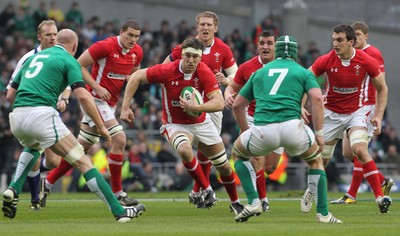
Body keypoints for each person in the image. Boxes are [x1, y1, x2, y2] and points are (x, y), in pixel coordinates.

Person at [2, 29, 145, 222]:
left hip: (17, 116)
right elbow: (85, 97)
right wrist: (101, 127)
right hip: (42, 114)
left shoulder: (32, 58)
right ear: (75, 47)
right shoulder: (69, 61)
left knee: (35, 145)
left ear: (56, 41)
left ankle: (13, 188)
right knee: (83, 161)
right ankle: (119, 211)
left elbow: (10, 95)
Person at [231, 35, 341, 223]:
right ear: (296, 54)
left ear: (277, 51)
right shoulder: (303, 72)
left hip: (263, 129)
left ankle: (253, 200)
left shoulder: (259, 72)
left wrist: (244, 131)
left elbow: (237, 105)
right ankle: (323, 214)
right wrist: (319, 133)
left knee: (238, 155)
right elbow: (316, 99)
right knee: (316, 162)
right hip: (293, 128)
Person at [121, 37, 240, 210]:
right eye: (188, 56)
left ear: (200, 58)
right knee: (185, 150)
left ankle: (235, 203)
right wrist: (125, 108)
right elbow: (135, 77)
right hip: (175, 124)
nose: (191, 60)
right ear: (182, 55)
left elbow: (219, 103)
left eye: (195, 57)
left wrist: (196, 106)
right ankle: (206, 189)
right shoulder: (167, 70)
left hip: (201, 123)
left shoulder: (204, 71)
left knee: (224, 167)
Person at [40, 19, 143, 207]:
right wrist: (95, 86)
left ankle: (46, 183)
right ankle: (118, 192)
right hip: (94, 99)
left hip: (110, 104)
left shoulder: (137, 52)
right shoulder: (105, 46)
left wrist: (126, 105)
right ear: (121, 32)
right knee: (119, 139)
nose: (133, 39)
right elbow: (77, 65)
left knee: (79, 151)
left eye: (136, 36)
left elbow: (133, 77)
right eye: (130, 35)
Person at [300, 24, 392, 214]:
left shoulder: (367, 60)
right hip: (331, 113)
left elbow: (382, 88)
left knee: (359, 149)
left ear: (351, 42)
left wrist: (379, 115)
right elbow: (305, 80)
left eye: (340, 40)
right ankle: (311, 190)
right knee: (321, 161)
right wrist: (301, 105)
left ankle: (380, 197)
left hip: (356, 112)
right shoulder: (325, 60)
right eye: (333, 39)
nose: (335, 43)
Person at [163, 11, 241, 213]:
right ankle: (202, 190)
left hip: (211, 105)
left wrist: (227, 81)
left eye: (209, 25)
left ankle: (198, 190)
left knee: (207, 151)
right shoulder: (185, 48)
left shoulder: (222, 49)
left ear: (215, 28)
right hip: (185, 106)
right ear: (197, 27)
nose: (205, 28)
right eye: (202, 24)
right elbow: (164, 67)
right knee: (193, 149)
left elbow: (236, 75)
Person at [6, 20, 68, 211]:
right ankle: (34, 200)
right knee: (36, 151)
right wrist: (26, 108)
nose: (53, 38)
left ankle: (23, 180)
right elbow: (10, 92)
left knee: (53, 161)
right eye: (48, 34)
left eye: (55, 34)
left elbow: (68, 85)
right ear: (39, 36)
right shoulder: (28, 59)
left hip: (51, 112)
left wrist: (64, 99)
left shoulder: (59, 57)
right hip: (32, 112)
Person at [330, 21, 394, 205]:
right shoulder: (350, 54)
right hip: (351, 107)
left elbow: (381, 84)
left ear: (366, 36)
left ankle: (351, 195)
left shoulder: (372, 54)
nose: (355, 38)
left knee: (359, 150)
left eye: (358, 35)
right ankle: (382, 180)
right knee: (348, 153)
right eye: (353, 35)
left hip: (367, 107)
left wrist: (377, 113)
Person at [224, 30, 282, 212]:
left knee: (270, 168)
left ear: (276, 46)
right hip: (252, 118)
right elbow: (232, 88)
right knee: (252, 157)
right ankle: (260, 199)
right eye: (262, 43)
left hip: (278, 119)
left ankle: (259, 194)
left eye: (269, 43)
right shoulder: (247, 67)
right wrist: (227, 96)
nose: (265, 47)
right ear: (257, 45)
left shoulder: (286, 66)